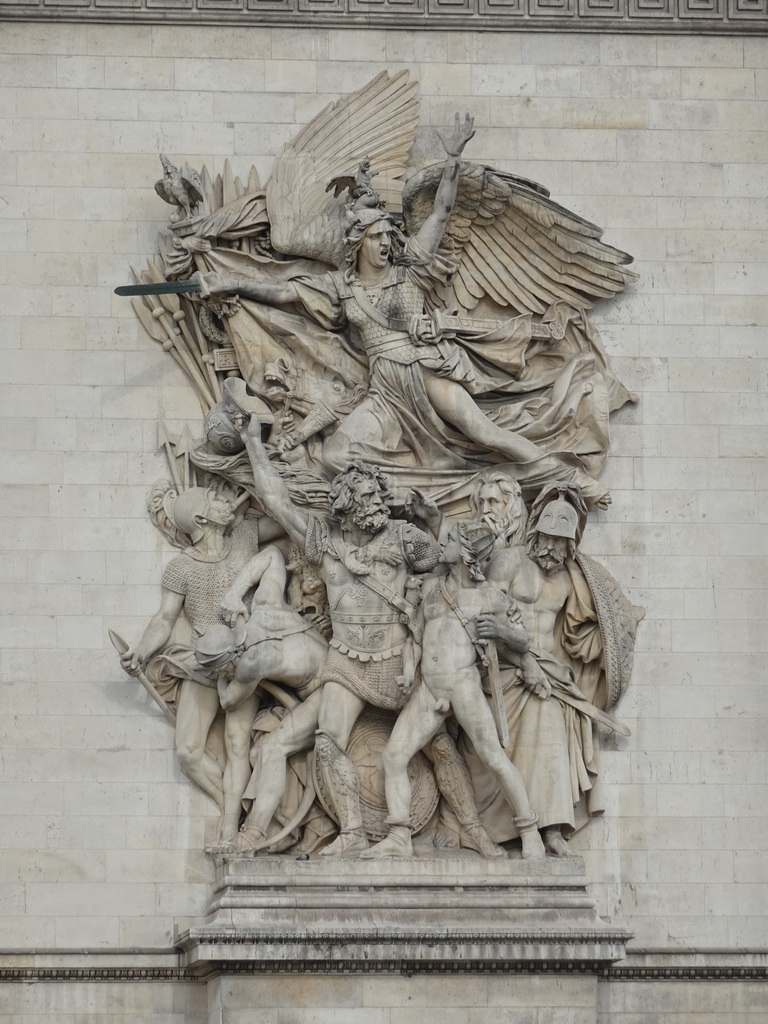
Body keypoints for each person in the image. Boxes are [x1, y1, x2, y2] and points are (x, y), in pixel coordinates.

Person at [195, 116, 610, 509]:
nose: (383, 243)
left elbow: (442, 212)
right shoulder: (343, 287)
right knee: (336, 455)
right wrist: (230, 283)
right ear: (358, 244)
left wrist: (452, 161)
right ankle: (419, 498)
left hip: (424, 373)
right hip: (384, 391)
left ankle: (569, 479)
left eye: (385, 235)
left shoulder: (410, 269)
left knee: (484, 431)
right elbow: (285, 293)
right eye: (375, 237)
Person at [362, 524, 545, 860]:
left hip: (463, 685)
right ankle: (399, 835)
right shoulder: (431, 587)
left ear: (464, 552)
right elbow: (415, 637)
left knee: (493, 757)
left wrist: (501, 629)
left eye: (448, 541)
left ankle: (530, 830)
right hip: (430, 689)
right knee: (393, 756)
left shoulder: (490, 597)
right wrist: (407, 671)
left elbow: (523, 640)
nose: (441, 543)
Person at [120, 485, 282, 844]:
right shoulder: (181, 568)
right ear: (201, 519)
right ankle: (237, 806)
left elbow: (284, 518)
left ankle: (231, 826)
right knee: (188, 752)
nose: (226, 502)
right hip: (203, 661)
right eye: (217, 501)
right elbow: (164, 619)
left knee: (238, 741)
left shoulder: (244, 535)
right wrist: (142, 653)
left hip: (245, 656)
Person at [193, 544, 329, 853]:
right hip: (328, 670)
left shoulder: (251, 665)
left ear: (228, 660)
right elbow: (272, 555)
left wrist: (222, 678)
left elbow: (228, 702)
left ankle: (253, 834)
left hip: (328, 691)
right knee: (260, 753)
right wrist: (235, 594)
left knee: (270, 750)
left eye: (223, 667)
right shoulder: (264, 608)